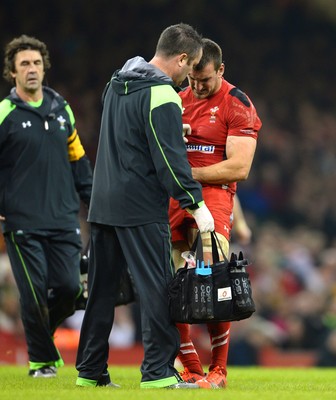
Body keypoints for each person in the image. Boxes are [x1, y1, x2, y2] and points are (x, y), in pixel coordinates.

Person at [75, 23, 215, 389]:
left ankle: (89, 373)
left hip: (104, 205)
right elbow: (169, 162)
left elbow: (127, 137)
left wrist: (170, 129)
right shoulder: (163, 95)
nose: (188, 80)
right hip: (140, 208)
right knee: (157, 290)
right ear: (182, 58)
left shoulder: (116, 84)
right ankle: (157, 374)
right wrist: (196, 205)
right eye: (190, 68)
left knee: (102, 291)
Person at [169, 38, 262, 388]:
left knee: (212, 276)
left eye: (204, 79)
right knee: (176, 284)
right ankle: (192, 367)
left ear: (220, 70)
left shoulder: (237, 104)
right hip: (175, 198)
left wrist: (188, 173)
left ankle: (218, 371)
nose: (196, 86)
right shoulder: (177, 101)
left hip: (213, 197)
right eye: (192, 79)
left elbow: (239, 167)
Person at [0, 35, 93, 378]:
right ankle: (41, 362)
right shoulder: (5, 114)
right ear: (12, 72)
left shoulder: (61, 108)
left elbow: (78, 160)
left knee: (71, 289)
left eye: (37, 63)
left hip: (64, 217)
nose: (32, 69)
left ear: (44, 67)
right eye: (24, 64)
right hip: (22, 220)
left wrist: (93, 202)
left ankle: (42, 336)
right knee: (34, 294)